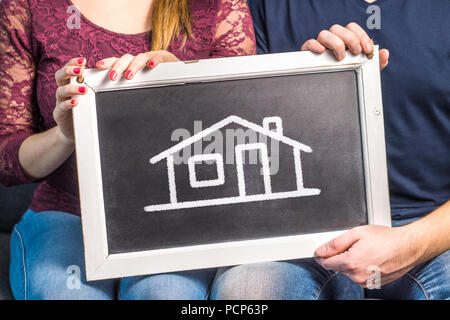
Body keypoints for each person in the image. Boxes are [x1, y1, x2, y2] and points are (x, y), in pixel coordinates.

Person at [0, 0, 256, 300]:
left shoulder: (218, 5)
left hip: (179, 216)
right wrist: (66, 135)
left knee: (166, 294)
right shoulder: (28, 5)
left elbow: (243, 140)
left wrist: (182, 89)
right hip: (69, 213)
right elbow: (8, 158)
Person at [209, 0, 450, 299]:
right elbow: (235, 139)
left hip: (434, 227)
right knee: (249, 291)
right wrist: (299, 84)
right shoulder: (263, 7)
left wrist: (409, 245)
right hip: (298, 229)